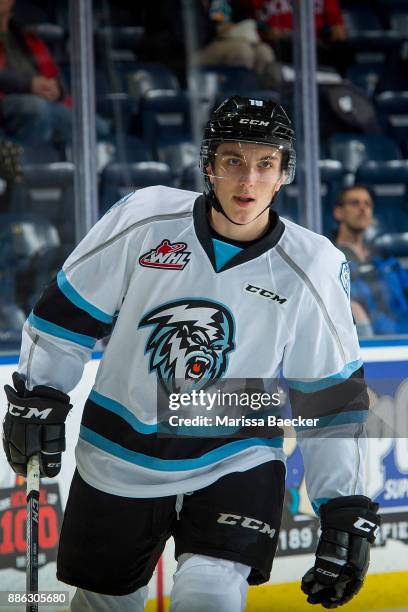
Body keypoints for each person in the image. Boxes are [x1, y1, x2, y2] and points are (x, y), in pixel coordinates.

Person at [2, 96, 380, 611]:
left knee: (212, 593)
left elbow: (329, 395)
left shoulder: (312, 265)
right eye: (233, 160)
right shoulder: (145, 218)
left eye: (265, 163)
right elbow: (66, 316)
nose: (248, 180)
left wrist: (344, 504)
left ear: (284, 172)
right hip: (120, 449)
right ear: (208, 164)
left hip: (238, 453)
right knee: (104, 602)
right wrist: (39, 390)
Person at [0, 0, 109, 145]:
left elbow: (57, 80)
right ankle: (29, 162)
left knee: (97, 127)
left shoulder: (30, 40)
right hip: (9, 103)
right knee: (35, 108)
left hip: (43, 102)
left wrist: (56, 91)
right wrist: (29, 85)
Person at [334, 184, 408, 336]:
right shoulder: (332, 258)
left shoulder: (385, 258)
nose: (363, 208)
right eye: (355, 203)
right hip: (368, 347)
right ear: (339, 212)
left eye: (367, 204)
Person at [252, 0, 354, 77]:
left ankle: (339, 92)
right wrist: (267, 33)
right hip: (278, 46)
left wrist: (336, 31)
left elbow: (337, 27)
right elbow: (249, 24)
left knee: (342, 49)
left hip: (315, 46)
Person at [195, 0, 276, 78]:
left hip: (233, 40)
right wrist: (216, 28)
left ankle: (260, 90)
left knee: (264, 52)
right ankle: (238, 90)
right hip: (202, 46)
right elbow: (191, 31)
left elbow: (243, 16)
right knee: (242, 51)